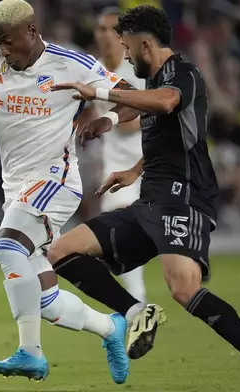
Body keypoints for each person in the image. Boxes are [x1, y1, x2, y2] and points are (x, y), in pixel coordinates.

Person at [0, 0, 154, 384]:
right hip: (18, 187)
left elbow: (133, 100)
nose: (4, 51)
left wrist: (105, 116)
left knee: (8, 249)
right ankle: (110, 328)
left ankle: (30, 354)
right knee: (44, 299)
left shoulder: (71, 64)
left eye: (8, 43)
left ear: (32, 33)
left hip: (56, 180)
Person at [48, 6, 240, 392]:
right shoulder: (157, 80)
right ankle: (134, 312)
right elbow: (162, 127)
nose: (125, 55)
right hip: (151, 199)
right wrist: (134, 167)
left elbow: (165, 104)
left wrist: (95, 91)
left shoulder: (183, 74)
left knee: (183, 288)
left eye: (128, 48)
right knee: (61, 250)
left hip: (185, 197)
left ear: (146, 45)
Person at [93, 7, 147, 303]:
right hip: (116, 167)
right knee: (118, 233)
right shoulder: (93, 71)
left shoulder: (138, 72)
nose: (106, 36)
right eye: (101, 29)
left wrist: (125, 113)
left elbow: (138, 122)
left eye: (112, 30)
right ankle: (137, 302)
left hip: (149, 163)